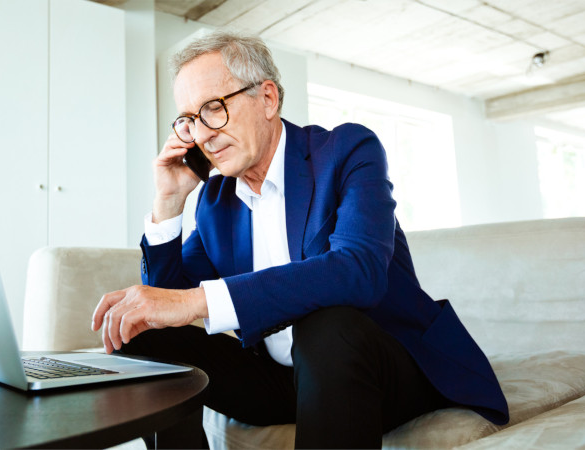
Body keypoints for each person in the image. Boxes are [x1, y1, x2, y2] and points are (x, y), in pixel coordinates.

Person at [92, 31, 508, 449]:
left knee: (326, 325)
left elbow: (357, 271)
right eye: (190, 119)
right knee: (141, 334)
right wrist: (168, 202)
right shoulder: (216, 200)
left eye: (213, 109)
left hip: (376, 369)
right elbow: (167, 301)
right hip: (283, 381)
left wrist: (197, 301)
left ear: (268, 99)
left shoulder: (346, 150)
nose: (202, 135)